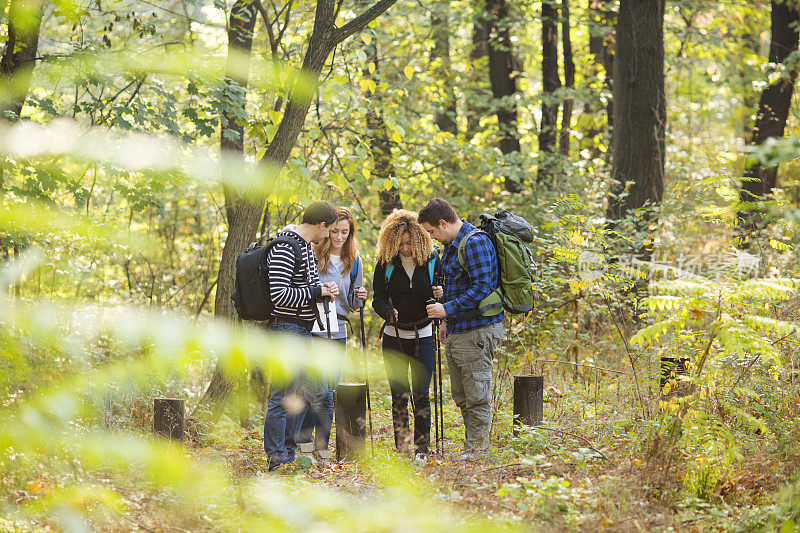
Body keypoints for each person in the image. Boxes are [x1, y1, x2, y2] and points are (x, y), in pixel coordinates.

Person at [418, 198, 504, 460]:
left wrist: (446, 310)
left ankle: (477, 452)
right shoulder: (451, 247)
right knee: (462, 394)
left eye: (431, 232)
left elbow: (482, 288)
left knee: (477, 393)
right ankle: (472, 446)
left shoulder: (475, 242)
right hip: (458, 329)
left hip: (477, 329)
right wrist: (446, 321)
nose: (431, 238)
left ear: (443, 223)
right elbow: (459, 287)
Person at [263, 200, 339, 472]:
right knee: (282, 395)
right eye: (330, 230)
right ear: (321, 225)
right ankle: (276, 458)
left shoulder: (305, 247)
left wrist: (323, 288)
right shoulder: (285, 246)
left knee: (304, 395)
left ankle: (289, 452)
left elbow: (305, 286)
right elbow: (279, 295)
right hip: (286, 330)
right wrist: (316, 293)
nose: (330, 236)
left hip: (303, 331)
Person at [372, 210, 443, 465]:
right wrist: (387, 312)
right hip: (394, 336)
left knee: (422, 393)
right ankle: (402, 446)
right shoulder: (385, 263)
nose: (405, 248)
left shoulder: (433, 260)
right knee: (399, 393)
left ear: (420, 239)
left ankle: (422, 448)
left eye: (409, 243)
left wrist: (440, 295)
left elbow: (443, 295)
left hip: (424, 334)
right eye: (400, 244)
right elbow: (377, 298)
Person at [296, 207, 367, 460]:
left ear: (350, 233)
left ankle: (322, 445)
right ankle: (303, 441)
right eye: (335, 231)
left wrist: (361, 298)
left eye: (344, 232)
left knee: (329, 389)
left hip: (338, 330)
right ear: (327, 229)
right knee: (311, 387)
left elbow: (354, 305)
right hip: (314, 328)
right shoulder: (313, 253)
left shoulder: (354, 260)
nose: (338, 237)